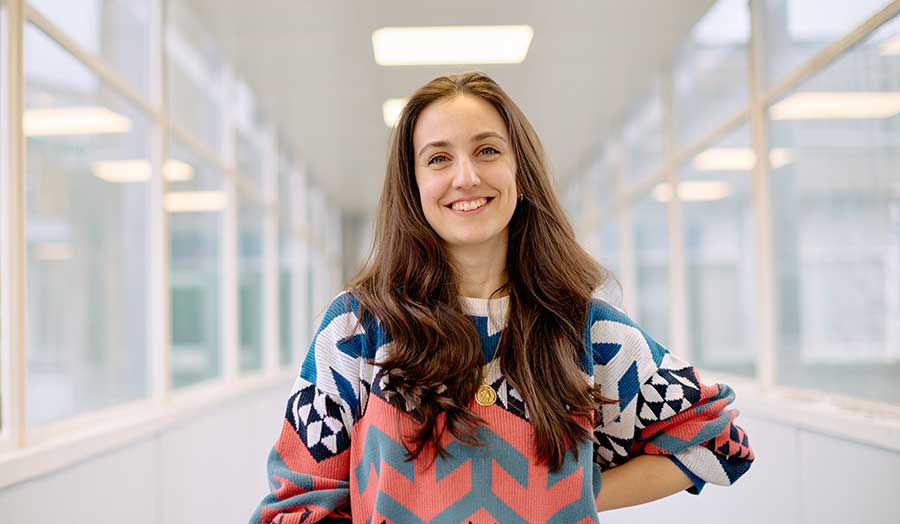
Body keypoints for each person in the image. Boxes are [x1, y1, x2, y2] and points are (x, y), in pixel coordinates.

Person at [250, 72, 753, 524]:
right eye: (439, 158)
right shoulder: (359, 328)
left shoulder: (586, 329)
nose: (466, 177)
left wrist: (578, 492)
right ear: (414, 184)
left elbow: (715, 440)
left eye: (487, 150)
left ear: (520, 170)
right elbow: (296, 503)